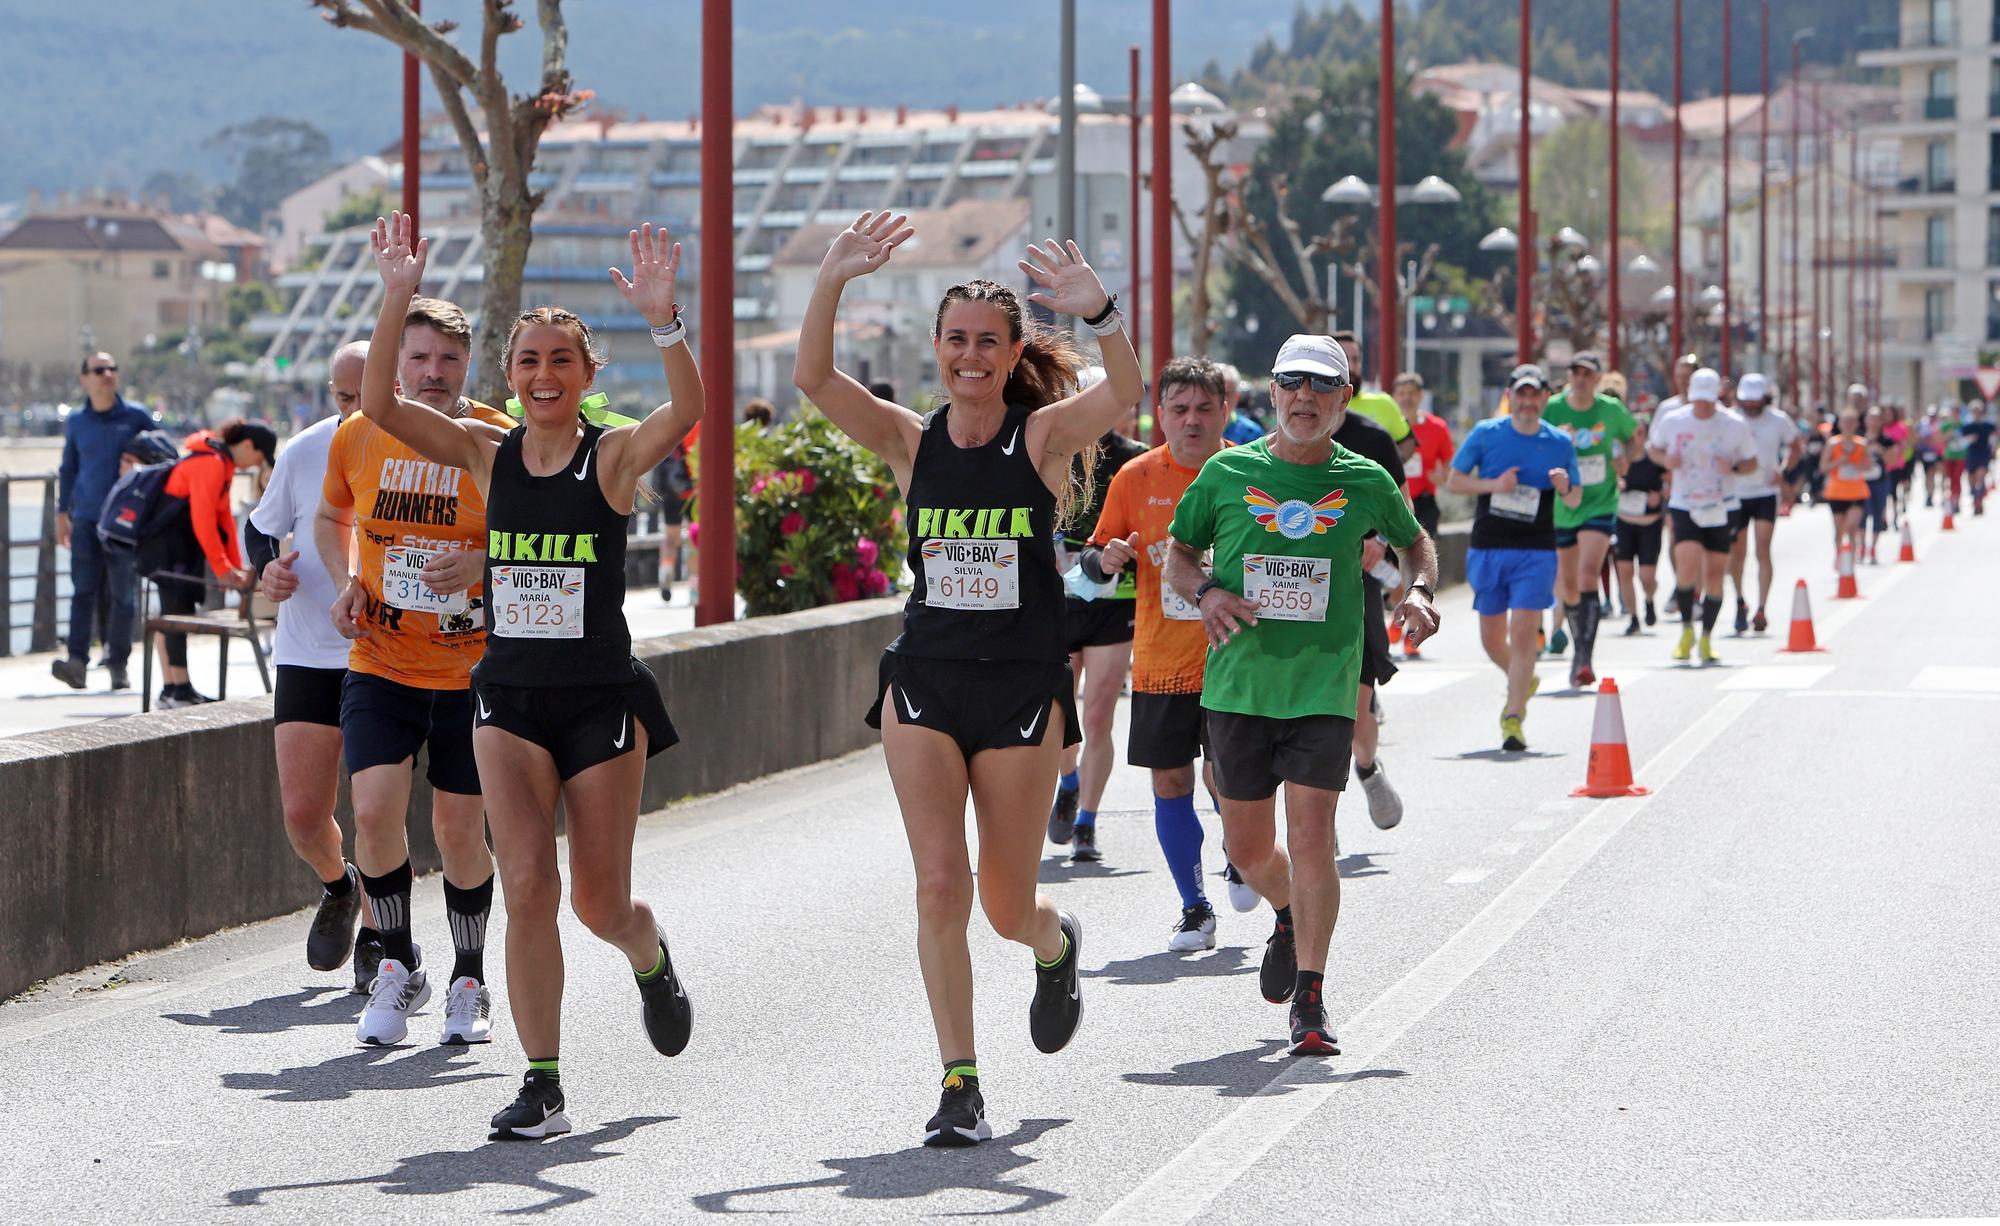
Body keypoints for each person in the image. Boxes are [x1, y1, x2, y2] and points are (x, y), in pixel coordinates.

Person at [794, 212, 1139, 1144]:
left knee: (1003, 904)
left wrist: (1102, 310)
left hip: (1022, 688)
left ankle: (1054, 944)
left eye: (989, 342)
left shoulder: (1041, 440)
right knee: (941, 885)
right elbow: (815, 380)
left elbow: (1127, 394)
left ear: (1014, 349)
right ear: (937, 350)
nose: (971, 357)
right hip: (926, 683)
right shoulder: (913, 442)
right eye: (956, 342)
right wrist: (831, 278)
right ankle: (960, 1082)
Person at [360, 214, 700, 1141]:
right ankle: (542, 1081)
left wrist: (665, 320)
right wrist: (397, 293)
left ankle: (649, 953)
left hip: (600, 701)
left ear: (586, 376)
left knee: (597, 901)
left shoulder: (614, 455)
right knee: (526, 886)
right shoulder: (486, 452)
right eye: (527, 363)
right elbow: (385, 409)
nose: (543, 376)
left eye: (561, 361)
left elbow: (687, 413)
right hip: (506, 699)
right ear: (508, 378)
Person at [1163, 332, 1439, 1056]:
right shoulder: (1227, 473)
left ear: (1344, 400)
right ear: (1274, 392)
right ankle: (1285, 913)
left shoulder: (1363, 479)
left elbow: (1416, 542)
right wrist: (1209, 592)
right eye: (1293, 384)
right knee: (1250, 851)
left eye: (1322, 387)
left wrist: (1419, 590)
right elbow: (1180, 558)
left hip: (1322, 687)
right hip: (1238, 688)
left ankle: (1311, 1001)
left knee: (1313, 836)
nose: (1306, 399)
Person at [317, 284, 502, 1051]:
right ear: (396, 361)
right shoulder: (359, 433)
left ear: (468, 364)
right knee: (371, 818)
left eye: (448, 359)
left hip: (471, 671)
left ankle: (468, 977)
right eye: (418, 356)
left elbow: (549, 535)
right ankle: (397, 964)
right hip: (381, 660)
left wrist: (484, 560)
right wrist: (347, 580)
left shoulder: (499, 437)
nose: (433, 371)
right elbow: (332, 517)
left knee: (459, 832)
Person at [1077, 355, 1230, 949]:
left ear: (1225, 412)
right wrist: (1106, 558)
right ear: (1159, 414)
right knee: (1170, 783)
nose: (1191, 421)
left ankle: (1242, 856)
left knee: (1227, 782)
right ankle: (1194, 905)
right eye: (1180, 409)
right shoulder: (1135, 478)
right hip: (1162, 664)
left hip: (1234, 663)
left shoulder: (1248, 473)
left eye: (1204, 409)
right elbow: (1093, 561)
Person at [248, 342, 382, 990]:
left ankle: (386, 933)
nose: (353, 409)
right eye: (342, 397)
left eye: (366, 395)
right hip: (306, 648)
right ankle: (340, 886)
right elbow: (263, 528)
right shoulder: (305, 450)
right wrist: (267, 571)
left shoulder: (419, 449)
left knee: (375, 813)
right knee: (303, 815)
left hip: (385, 655)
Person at [1445, 365, 1580, 750]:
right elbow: (1454, 481)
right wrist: (1495, 485)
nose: (1527, 402)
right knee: (1491, 640)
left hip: (1535, 551)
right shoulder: (1487, 433)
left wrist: (1564, 485)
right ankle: (1523, 677)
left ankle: (1513, 716)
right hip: (1488, 546)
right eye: (1520, 394)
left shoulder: (1559, 443)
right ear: (1510, 396)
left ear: (1544, 399)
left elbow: (1574, 497)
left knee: (1524, 633)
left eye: (1534, 395)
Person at [1049, 369, 1146, 862]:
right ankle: (1068, 780)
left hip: (1115, 601)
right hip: (1060, 602)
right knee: (1058, 711)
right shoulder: (1053, 452)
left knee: (1099, 715)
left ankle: (1086, 822)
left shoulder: (1136, 460)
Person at [136, 419, 275, 707]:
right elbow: (203, 521)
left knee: (181, 610)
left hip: (181, 549)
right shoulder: (211, 463)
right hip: (166, 549)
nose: (253, 466)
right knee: (175, 614)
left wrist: (234, 565)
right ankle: (176, 689)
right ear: (248, 446)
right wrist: (223, 569)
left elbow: (223, 519)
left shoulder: (221, 464)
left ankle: (179, 687)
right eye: (258, 459)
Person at [52, 352, 155, 691]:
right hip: (85, 520)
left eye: (112, 369)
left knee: (124, 596)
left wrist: (139, 464)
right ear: (85, 378)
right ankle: (77, 662)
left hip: (125, 524)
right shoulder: (78, 421)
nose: (107, 375)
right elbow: (68, 469)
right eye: (99, 370)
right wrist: (61, 514)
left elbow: (166, 456)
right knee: (82, 591)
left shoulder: (136, 416)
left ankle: (118, 664)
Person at [1648, 368, 1760, 663]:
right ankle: (1687, 631)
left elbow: (1751, 462)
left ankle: (1707, 637)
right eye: (1698, 401)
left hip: (1722, 505)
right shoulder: (1674, 420)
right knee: (1686, 565)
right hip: (1685, 503)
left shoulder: (1734, 424)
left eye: (1708, 402)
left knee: (1714, 573)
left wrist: (1733, 468)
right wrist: (1666, 460)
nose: (1703, 407)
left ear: (1716, 398)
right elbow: (1653, 450)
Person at [1542, 352, 1634, 688]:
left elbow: (1633, 438)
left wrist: (1624, 461)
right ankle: (1578, 645)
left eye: (1587, 374)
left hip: (1599, 502)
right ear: (1569, 376)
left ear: (1597, 379)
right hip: (1563, 505)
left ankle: (1583, 656)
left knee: (1586, 575)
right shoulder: (1552, 408)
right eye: (1575, 372)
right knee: (1567, 585)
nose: (1581, 379)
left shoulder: (1610, 410)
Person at [1723, 373, 1798, 632]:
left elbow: (1795, 446)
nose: (1751, 405)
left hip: (1765, 492)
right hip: (1736, 492)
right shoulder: (1730, 418)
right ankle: (1740, 600)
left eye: (1756, 401)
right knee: (1737, 553)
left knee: (1762, 549)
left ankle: (1762, 608)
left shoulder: (1778, 420)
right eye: (1747, 401)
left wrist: (1784, 469)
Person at [1613, 415, 1667, 636]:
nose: (1637, 437)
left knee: (1646, 576)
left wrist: (1660, 495)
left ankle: (1650, 598)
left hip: (1649, 524)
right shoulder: (1618, 460)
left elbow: (1669, 482)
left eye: (1641, 433)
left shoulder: (1653, 458)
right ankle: (1634, 617)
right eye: (1633, 433)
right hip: (1623, 521)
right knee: (1624, 571)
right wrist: (1615, 484)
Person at [1331, 331, 1417, 464]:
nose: (1352, 367)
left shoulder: (1383, 403)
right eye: (1345, 359)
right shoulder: (1317, 403)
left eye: (1356, 359)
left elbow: (1408, 441)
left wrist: (1391, 470)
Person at [1393, 371, 1455, 540]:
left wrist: (1442, 477)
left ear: (1420, 396)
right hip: (1392, 500)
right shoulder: (1385, 427)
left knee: (1423, 558)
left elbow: (1450, 464)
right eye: (1402, 394)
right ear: (1394, 397)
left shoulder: (1438, 428)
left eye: (1411, 393)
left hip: (1424, 503)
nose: (1407, 398)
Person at [1216, 362, 1265, 446]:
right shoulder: (1194, 429)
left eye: (1226, 394)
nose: (1221, 399)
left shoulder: (1252, 433)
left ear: (1237, 398)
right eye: (1215, 393)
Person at [1962, 400, 1995, 515]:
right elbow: (1960, 439)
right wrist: (1968, 439)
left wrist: (1994, 447)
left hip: (1983, 455)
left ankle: (1979, 503)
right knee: (1971, 480)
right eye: (1975, 411)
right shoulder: (1968, 426)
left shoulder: (1988, 425)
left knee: (1980, 479)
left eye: (1979, 411)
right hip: (1971, 455)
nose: (1977, 414)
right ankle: (1975, 498)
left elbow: (1995, 434)